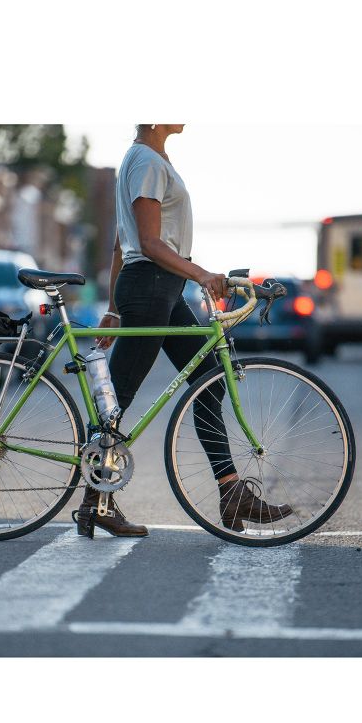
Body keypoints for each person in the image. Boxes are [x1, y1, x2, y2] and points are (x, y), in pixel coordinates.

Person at [72, 124, 292, 538]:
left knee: (209, 382)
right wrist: (202, 274)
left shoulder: (149, 160)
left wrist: (114, 310)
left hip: (160, 289)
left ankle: (231, 493)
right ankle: (94, 501)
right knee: (116, 400)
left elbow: (124, 242)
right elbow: (149, 243)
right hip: (152, 286)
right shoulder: (146, 161)